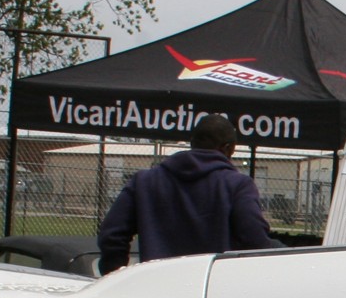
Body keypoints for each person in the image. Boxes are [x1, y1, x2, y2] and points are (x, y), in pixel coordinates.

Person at [96, 113, 281, 273]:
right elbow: (256, 242)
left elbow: (112, 234)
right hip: (212, 293)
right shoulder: (237, 185)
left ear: (192, 143)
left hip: (155, 288)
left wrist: (114, 273)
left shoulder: (145, 181)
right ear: (229, 148)